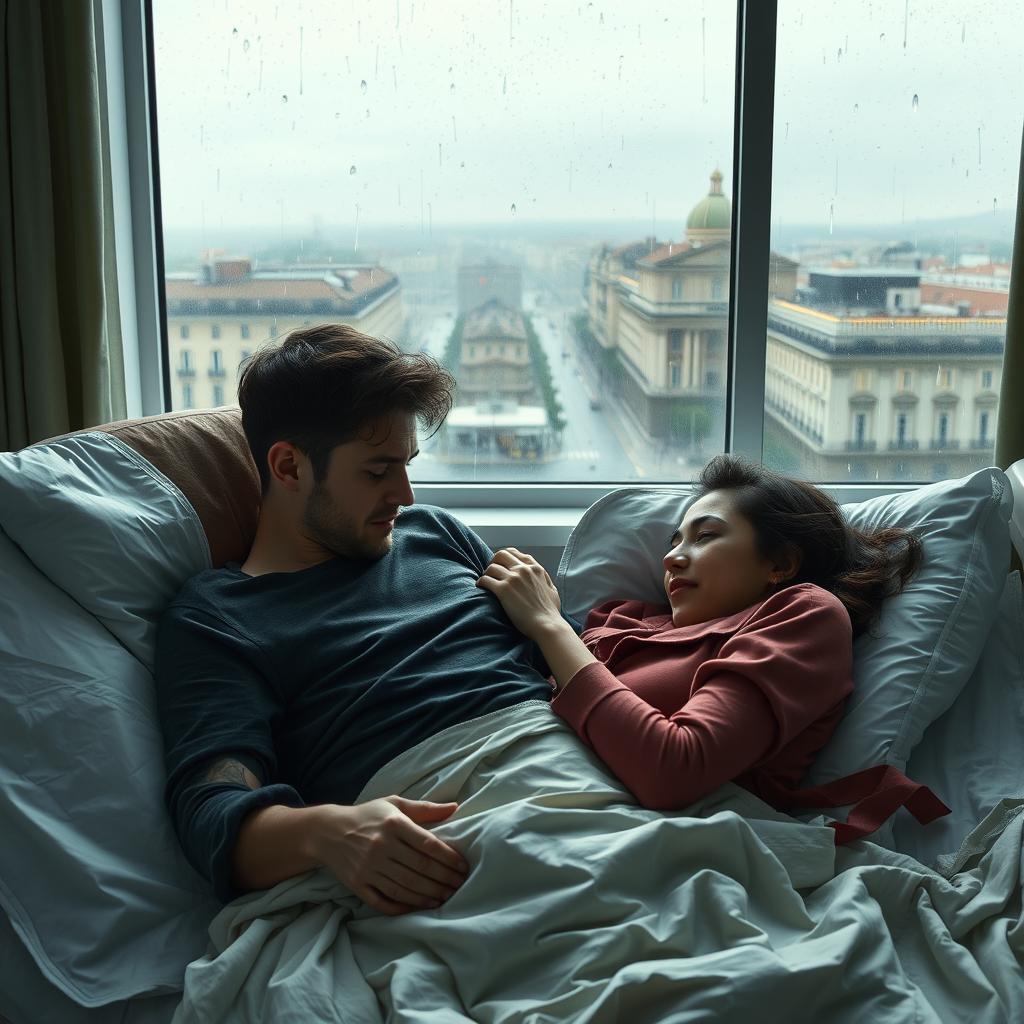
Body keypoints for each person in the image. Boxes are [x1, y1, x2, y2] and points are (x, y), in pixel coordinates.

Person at [154, 323, 582, 917]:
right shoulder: (219, 618)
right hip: (445, 833)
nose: (405, 495)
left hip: (571, 777)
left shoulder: (437, 533)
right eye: (377, 472)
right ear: (288, 467)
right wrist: (330, 832)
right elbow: (212, 808)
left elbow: (586, 675)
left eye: (406, 465)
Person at [476, 454, 950, 839]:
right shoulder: (621, 620)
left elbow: (674, 768)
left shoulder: (803, 614)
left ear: (779, 563)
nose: (672, 556)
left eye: (705, 537)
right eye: (674, 539)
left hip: (645, 835)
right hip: (515, 786)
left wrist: (549, 626)